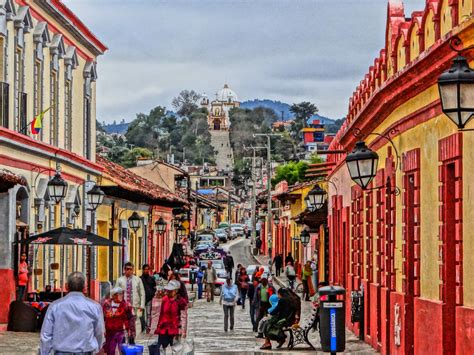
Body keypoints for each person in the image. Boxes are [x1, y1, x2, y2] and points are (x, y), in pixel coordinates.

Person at [40, 272, 105, 355]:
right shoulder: (95, 307)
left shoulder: (55, 306)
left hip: (61, 352)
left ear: (66, 286)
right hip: (86, 351)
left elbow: (46, 335)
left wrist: (45, 353)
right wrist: (97, 348)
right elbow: (99, 333)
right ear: (85, 287)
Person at [115, 262, 146, 344]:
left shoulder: (138, 280)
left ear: (133, 270)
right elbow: (115, 293)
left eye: (130, 269)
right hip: (123, 307)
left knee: (133, 324)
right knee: (123, 324)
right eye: (127, 269)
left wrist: (142, 306)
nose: (129, 271)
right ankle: (123, 340)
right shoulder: (120, 280)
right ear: (124, 270)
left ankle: (132, 340)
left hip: (134, 306)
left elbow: (142, 293)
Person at [155, 280, 188, 352]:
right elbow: (161, 314)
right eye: (168, 290)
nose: (168, 292)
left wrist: (183, 331)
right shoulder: (165, 300)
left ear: (176, 291)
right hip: (163, 329)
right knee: (162, 349)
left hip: (174, 330)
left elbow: (184, 317)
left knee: (175, 350)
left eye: (171, 291)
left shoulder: (181, 302)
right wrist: (158, 327)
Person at [102, 287, 134, 355]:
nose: (121, 295)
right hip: (109, 332)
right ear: (113, 295)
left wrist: (131, 331)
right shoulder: (107, 304)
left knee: (123, 350)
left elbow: (130, 319)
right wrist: (103, 330)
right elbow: (104, 317)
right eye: (119, 294)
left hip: (121, 331)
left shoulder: (126, 305)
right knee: (110, 350)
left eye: (122, 294)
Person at [140, 264, 156, 333]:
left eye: (147, 269)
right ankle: (143, 326)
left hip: (149, 299)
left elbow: (154, 288)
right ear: (143, 270)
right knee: (141, 314)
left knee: (148, 313)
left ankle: (148, 327)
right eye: (145, 269)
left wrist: (152, 293)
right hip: (141, 299)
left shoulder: (152, 279)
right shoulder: (140, 279)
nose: (146, 271)